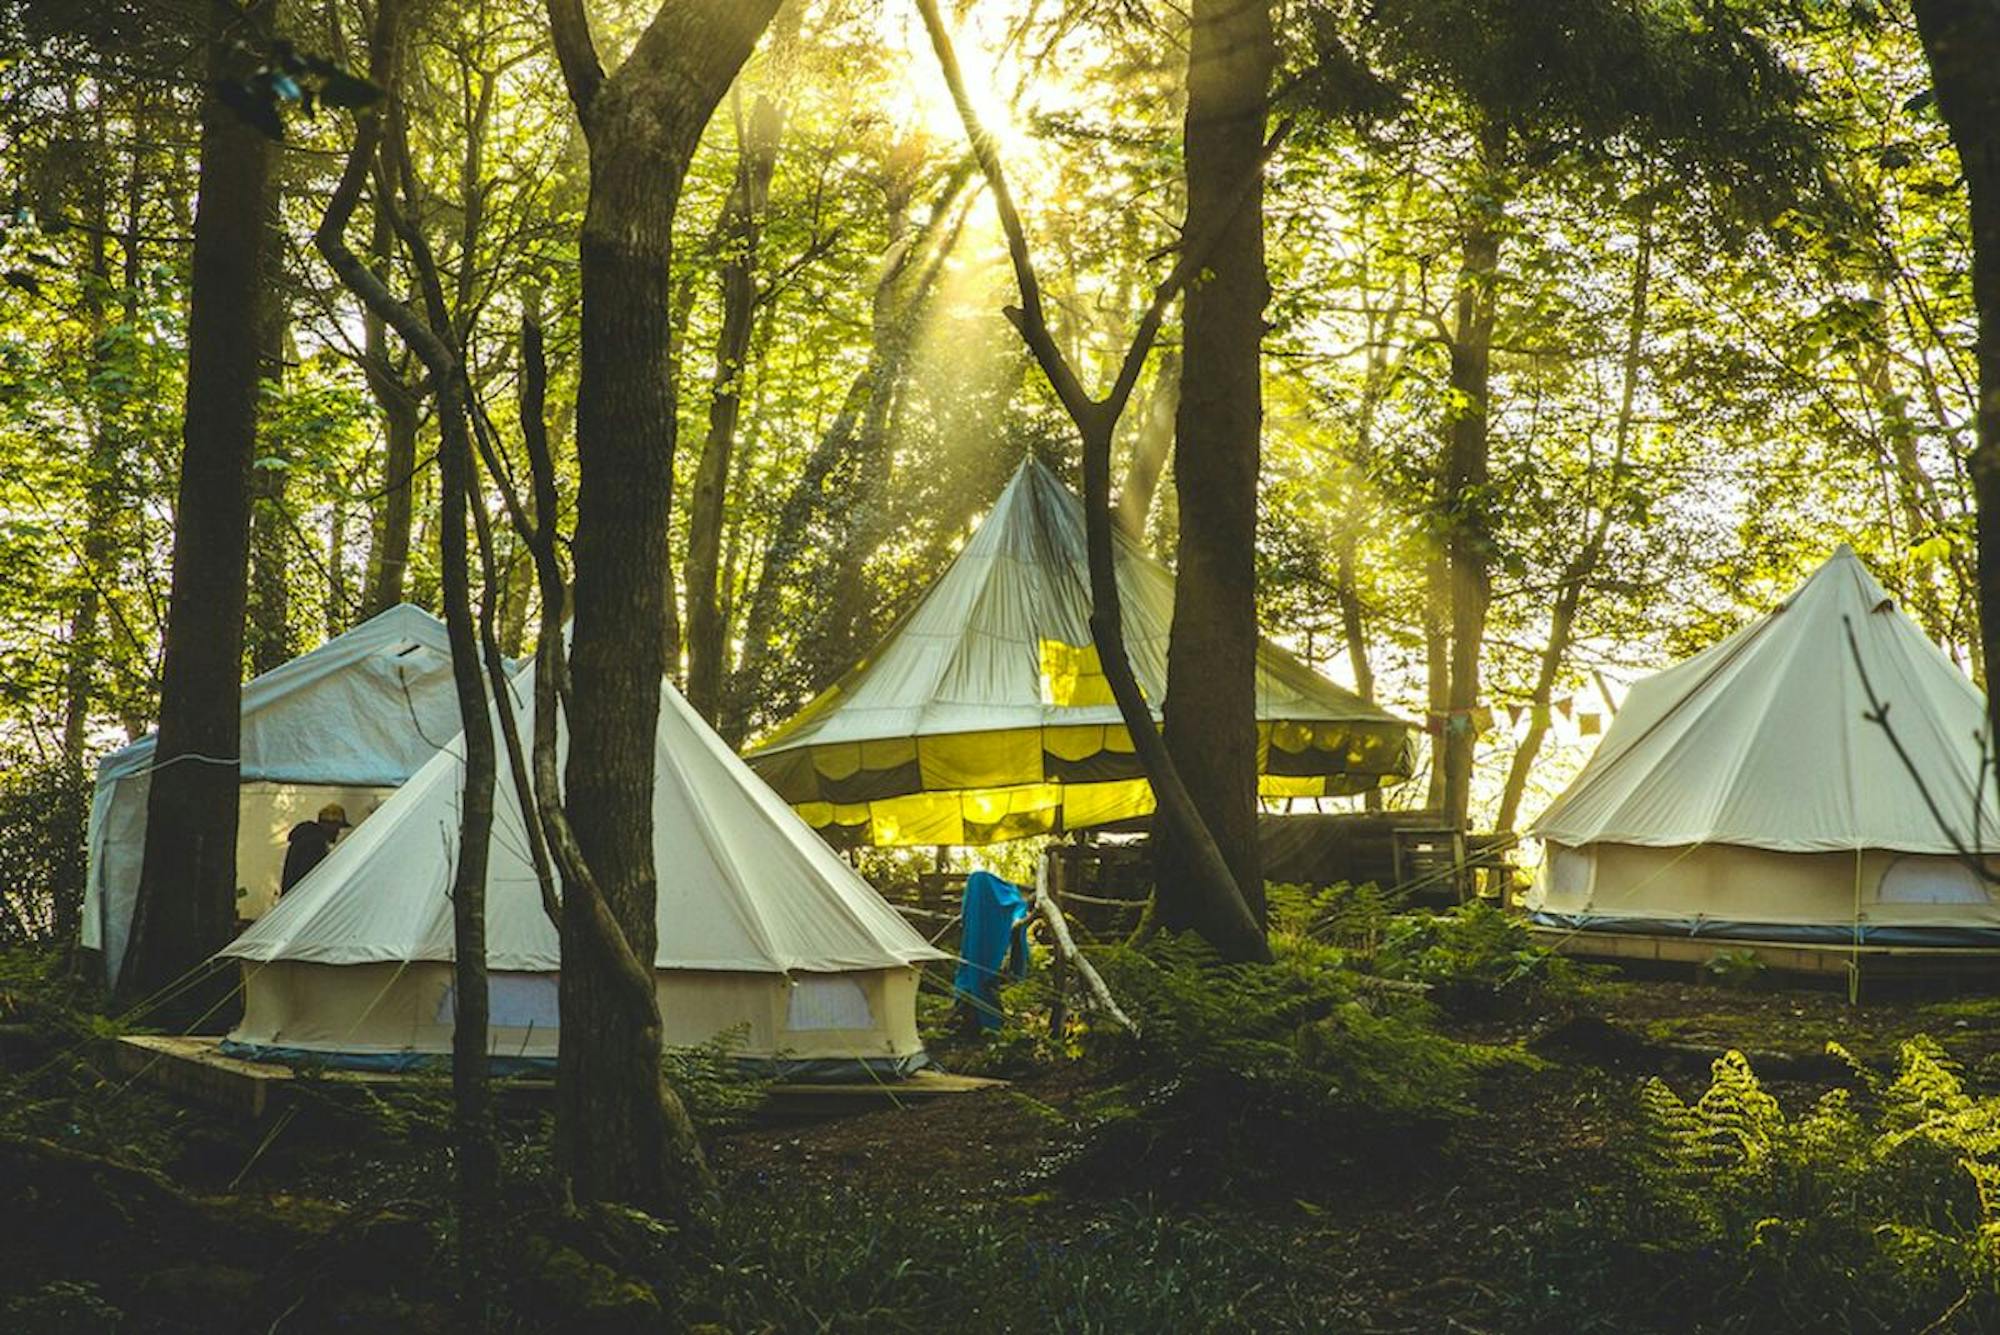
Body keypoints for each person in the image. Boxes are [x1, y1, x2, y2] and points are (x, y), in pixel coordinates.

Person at [280, 802, 351, 895]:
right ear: (330, 825)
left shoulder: (305, 838)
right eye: (337, 827)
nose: (338, 832)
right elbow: (311, 878)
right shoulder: (315, 843)